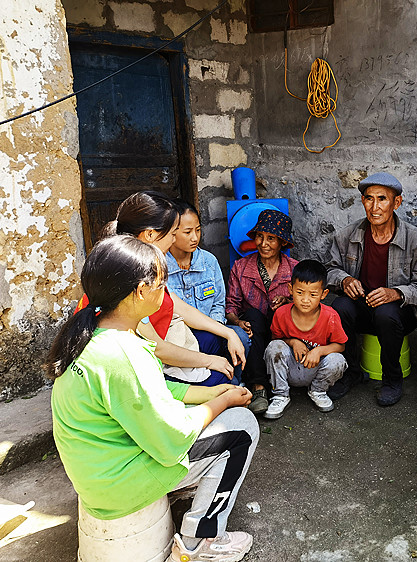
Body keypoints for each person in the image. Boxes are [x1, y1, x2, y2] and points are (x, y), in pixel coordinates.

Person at [45, 235, 259, 562]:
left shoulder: (95, 332)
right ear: (142, 290)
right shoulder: (124, 353)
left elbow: (149, 391)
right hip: (121, 485)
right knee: (242, 428)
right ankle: (199, 541)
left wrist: (211, 392)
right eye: (162, 282)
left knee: (213, 411)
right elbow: (171, 437)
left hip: (97, 474)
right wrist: (221, 404)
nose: (165, 291)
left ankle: (187, 490)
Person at [79, 191, 248, 387]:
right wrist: (210, 361)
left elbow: (176, 304)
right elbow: (157, 348)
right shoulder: (131, 277)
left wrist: (229, 333)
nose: (174, 240)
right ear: (150, 235)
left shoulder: (139, 263)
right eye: (173, 234)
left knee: (231, 343)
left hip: (165, 347)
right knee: (226, 382)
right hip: (150, 366)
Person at [325, 172, 417, 406]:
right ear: (362, 201)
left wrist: (396, 293)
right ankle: (351, 372)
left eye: (382, 199)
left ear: (397, 202)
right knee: (340, 306)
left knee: (386, 313)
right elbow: (329, 270)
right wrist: (344, 280)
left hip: (399, 315)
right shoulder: (347, 236)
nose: (374, 207)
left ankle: (392, 379)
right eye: (368, 198)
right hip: (362, 309)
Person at [226, 209, 299, 414]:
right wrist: (237, 322)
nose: (263, 244)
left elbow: (307, 304)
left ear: (282, 242)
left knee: (281, 313)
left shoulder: (294, 269)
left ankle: (283, 385)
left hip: (283, 335)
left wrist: (288, 301)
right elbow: (231, 306)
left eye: (271, 238)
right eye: (260, 236)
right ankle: (259, 388)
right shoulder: (240, 267)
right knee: (253, 317)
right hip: (255, 334)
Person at [166, 199, 252, 366]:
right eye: (187, 232)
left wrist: (214, 328)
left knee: (241, 337)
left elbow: (219, 303)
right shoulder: (160, 266)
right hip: (179, 338)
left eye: (198, 230)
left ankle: (236, 379)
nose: (195, 237)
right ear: (171, 233)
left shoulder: (209, 261)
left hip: (213, 330)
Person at [263, 260, 348, 419]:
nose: (305, 299)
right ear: (290, 289)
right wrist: (293, 342)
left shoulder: (331, 316)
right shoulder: (281, 314)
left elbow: (341, 346)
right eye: (300, 292)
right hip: (289, 369)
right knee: (274, 347)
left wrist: (319, 350)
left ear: (323, 294)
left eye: (313, 294)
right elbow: (275, 340)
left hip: (316, 369)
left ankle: (318, 390)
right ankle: (280, 394)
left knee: (338, 360)